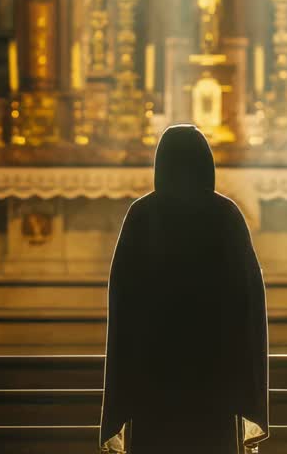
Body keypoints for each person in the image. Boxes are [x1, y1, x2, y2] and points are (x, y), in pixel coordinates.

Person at [100, 124, 269, 454]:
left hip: (154, 373)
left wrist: (124, 387)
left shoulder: (141, 215)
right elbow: (249, 302)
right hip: (213, 375)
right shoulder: (226, 215)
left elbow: (122, 303)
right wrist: (245, 382)